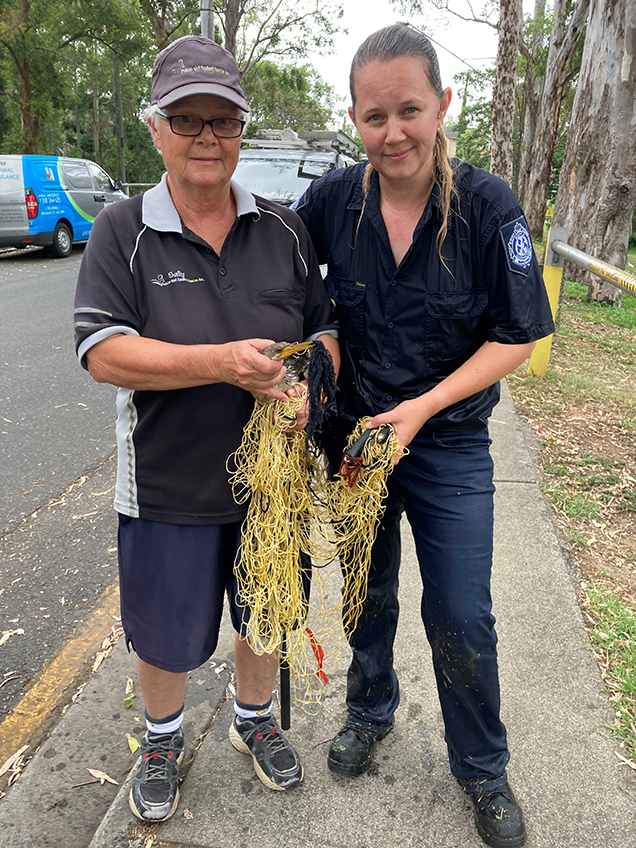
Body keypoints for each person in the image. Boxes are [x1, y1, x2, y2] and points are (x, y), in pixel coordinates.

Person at [293, 23, 554, 848]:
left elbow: (518, 336)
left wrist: (423, 407)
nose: (393, 132)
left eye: (409, 110)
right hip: (357, 440)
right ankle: (370, 711)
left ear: (442, 105)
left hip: (446, 443)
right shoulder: (331, 202)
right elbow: (287, 286)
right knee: (366, 594)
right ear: (354, 119)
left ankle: (482, 768)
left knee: (462, 612)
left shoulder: (488, 207)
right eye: (375, 116)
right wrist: (307, 356)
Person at [73, 35, 338, 823]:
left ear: (241, 130)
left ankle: (253, 721)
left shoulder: (283, 227)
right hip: (167, 481)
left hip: (272, 484)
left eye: (222, 121)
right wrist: (220, 363)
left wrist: (311, 387)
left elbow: (324, 331)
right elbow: (103, 353)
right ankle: (161, 738)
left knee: (268, 609)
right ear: (155, 128)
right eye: (186, 120)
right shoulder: (123, 230)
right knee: (165, 629)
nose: (206, 138)